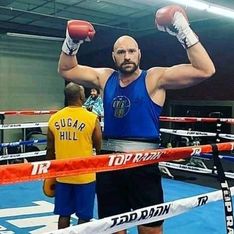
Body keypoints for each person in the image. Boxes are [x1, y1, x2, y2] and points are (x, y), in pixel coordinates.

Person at [58, 5, 215, 234]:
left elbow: (205, 70)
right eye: (121, 52)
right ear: (114, 56)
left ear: (139, 53)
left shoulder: (154, 78)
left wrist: (182, 28)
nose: (127, 56)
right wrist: (71, 42)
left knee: (150, 229)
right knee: (113, 228)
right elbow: (66, 70)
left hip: (143, 166)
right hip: (109, 166)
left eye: (131, 51)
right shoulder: (105, 77)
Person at [46, 82, 102, 229]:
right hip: (85, 176)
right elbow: (99, 147)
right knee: (84, 216)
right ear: (82, 96)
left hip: (62, 174)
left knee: (63, 214)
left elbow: (50, 151)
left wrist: (48, 175)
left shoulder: (54, 119)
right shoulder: (91, 118)